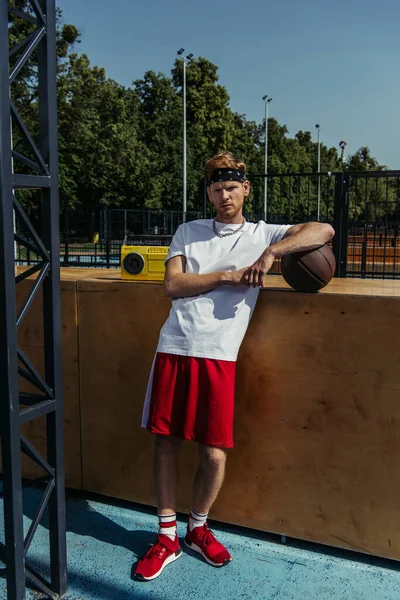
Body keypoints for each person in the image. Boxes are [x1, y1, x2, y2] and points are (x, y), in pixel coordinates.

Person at [135, 151, 334, 581]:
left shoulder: (264, 234)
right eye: (216, 188)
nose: (224, 195)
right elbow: (172, 284)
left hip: (220, 355)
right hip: (175, 345)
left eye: (231, 187)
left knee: (213, 451)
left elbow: (324, 229)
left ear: (245, 189)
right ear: (208, 192)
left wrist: (273, 254)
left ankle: (197, 528)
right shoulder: (188, 231)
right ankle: (166, 535)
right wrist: (225, 276)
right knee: (165, 443)